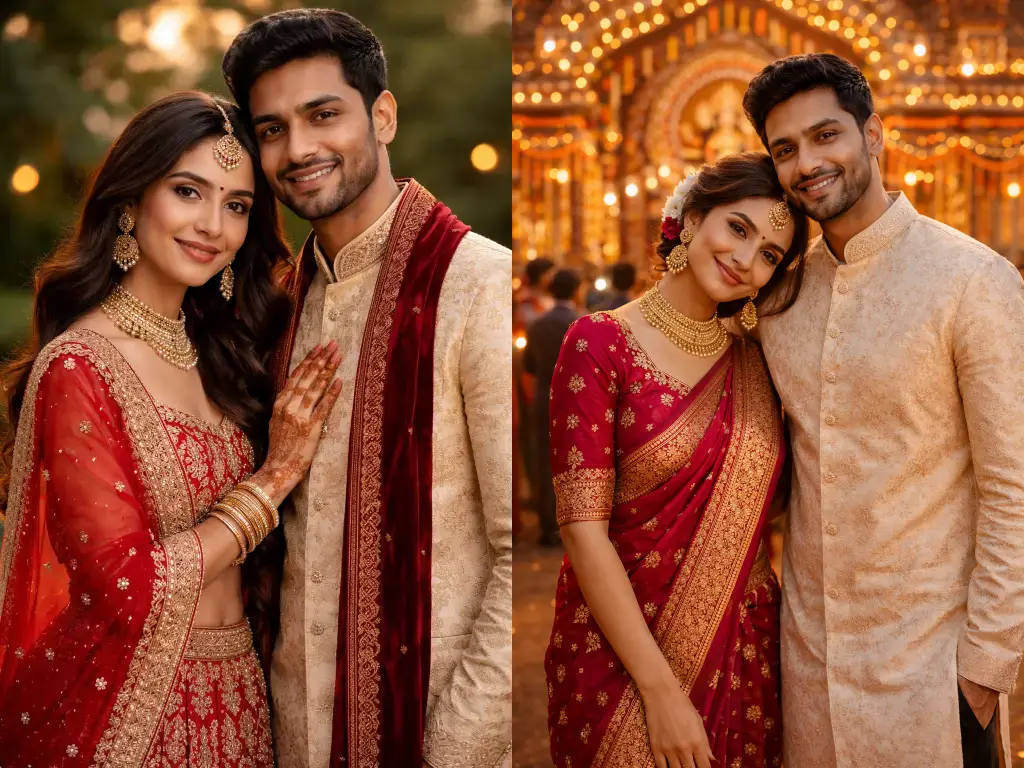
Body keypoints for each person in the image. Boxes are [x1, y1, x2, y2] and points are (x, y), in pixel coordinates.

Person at [0, 92, 341, 765]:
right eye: (188, 191)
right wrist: (272, 480)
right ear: (130, 201)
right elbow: (126, 587)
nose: (212, 225)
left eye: (237, 205)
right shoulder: (80, 366)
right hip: (120, 711)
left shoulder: (227, 352)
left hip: (240, 697)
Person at [222, 10, 512, 768]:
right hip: (291, 738)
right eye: (273, 129)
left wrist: (454, 746)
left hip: (433, 734)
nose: (300, 149)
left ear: (382, 115)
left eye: (324, 115)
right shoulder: (280, 306)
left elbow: (522, 552)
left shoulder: (479, 285)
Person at [742, 52, 1024, 768]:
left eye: (825, 135)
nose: (807, 162)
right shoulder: (780, 300)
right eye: (785, 149)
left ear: (873, 134)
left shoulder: (973, 281)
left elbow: (1012, 487)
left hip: (930, 671)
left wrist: (984, 668)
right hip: (808, 666)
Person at [545, 152, 809, 768]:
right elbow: (583, 534)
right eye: (738, 229)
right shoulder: (599, 343)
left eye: (770, 254)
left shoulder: (758, 363)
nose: (747, 259)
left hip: (743, 654)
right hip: (617, 659)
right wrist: (661, 692)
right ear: (691, 216)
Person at [523, 268, 583, 547]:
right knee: (575, 463)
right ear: (575, 291)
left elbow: (529, 366)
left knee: (543, 462)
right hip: (577, 401)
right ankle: (572, 525)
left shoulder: (538, 324)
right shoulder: (583, 322)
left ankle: (548, 525)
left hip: (543, 398)